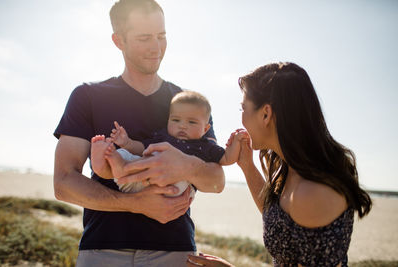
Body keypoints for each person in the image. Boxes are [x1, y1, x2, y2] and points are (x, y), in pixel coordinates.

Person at [53, 0, 225, 266]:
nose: (156, 47)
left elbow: (217, 182)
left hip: (175, 250)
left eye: (162, 36)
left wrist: (186, 166)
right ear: (118, 40)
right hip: (103, 249)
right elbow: (63, 184)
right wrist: (135, 203)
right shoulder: (86, 96)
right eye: (145, 38)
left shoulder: (190, 107)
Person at [187, 62, 372, 267]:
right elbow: (279, 220)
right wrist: (247, 166)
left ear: (266, 114)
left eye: (243, 108)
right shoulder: (296, 169)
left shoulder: (311, 193)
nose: (241, 118)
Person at [90, 90, 242, 197]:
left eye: (191, 122)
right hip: (138, 179)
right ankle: (111, 162)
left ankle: (118, 166)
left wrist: (235, 143)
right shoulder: (163, 137)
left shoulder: (205, 146)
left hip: (172, 190)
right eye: (176, 120)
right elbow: (142, 148)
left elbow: (227, 159)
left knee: (184, 186)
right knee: (126, 155)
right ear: (168, 119)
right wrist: (127, 142)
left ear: (206, 129)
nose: (182, 126)